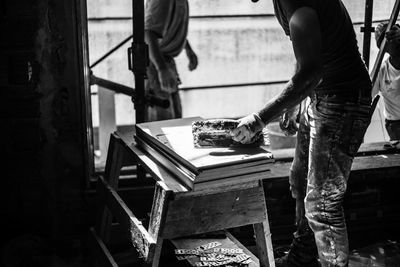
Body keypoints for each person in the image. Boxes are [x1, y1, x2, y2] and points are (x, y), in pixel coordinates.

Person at [232, 0, 372, 266]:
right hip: (322, 96)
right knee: (299, 180)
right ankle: (304, 257)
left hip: (343, 101)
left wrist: (259, 119)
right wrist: (296, 101)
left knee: (322, 204)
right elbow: (309, 56)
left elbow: (312, 71)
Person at [144, 0, 198, 121]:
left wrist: (187, 48)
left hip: (164, 61)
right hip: (156, 62)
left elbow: (169, 27)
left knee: (174, 119)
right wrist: (161, 69)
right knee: (163, 123)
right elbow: (148, 33)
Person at [372, 22, 400, 142]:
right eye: (389, 38)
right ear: (383, 47)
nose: (394, 40)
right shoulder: (381, 71)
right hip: (396, 125)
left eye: (395, 33)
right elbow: (365, 98)